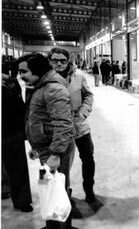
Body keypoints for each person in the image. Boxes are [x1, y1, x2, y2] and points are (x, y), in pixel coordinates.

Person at [17, 53, 76, 228]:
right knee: (47, 188)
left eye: (24, 71)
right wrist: (35, 144)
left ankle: (60, 227)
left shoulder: (53, 89)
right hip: (45, 149)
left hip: (55, 151)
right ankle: (53, 225)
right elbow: (39, 119)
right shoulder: (39, 85)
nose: (20, 75)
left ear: (38, 70)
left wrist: (56, 154)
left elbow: (64, 124)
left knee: (57, 190)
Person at [49, 48, 96, 203]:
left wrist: (82, 113)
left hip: (79, 126)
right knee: (61, 164)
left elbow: (88, 95)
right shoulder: (46, 80)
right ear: (50, 61)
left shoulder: (78, 76)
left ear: (68, 60)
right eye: (55, 60)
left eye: (63, 60)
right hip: (58, 129)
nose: (59, 64)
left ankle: (89, 190)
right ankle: (64, 192)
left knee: (88, 158)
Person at [1, 60, 33, 212]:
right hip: (11, 133)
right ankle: (17, 197)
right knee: (15, 167)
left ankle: (19, 198)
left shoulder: (10, 86)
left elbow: (20, 108)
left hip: (11, 133)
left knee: (15, 167)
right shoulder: (11, 85)